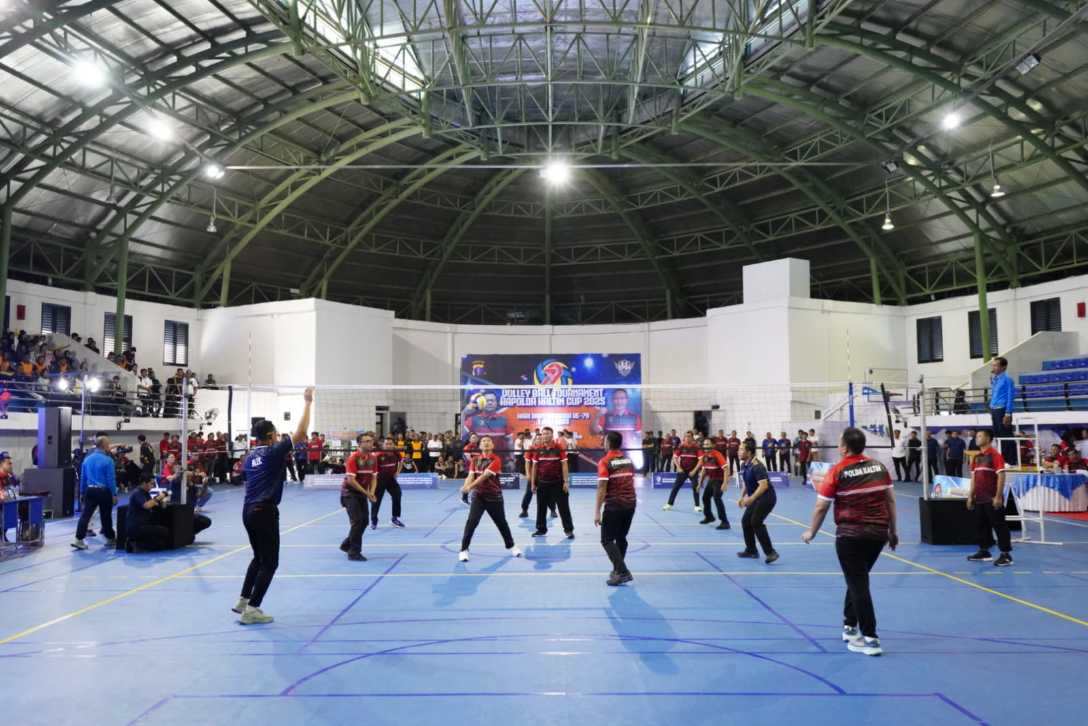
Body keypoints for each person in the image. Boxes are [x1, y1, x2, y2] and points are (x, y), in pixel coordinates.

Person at [803, 427, 898, 657]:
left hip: (850, 536)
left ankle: (871, 638)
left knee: (858, 583)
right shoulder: (879, 467)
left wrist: (811, 532)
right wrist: (893, 531)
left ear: (845, 447)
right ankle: (849, 625)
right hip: (878, 534)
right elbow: (890, 501)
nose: (838, 445)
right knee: (857, 578)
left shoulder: (837, 471)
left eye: (839, 442)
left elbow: (821, 507)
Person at [232, 387, 313, 625]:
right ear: (270, 436)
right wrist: (307, 402)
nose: (278, 437)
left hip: (247, 511)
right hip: (264, 511)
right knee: (270, 563)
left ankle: (243, 600)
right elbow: (301, 433)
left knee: (258, 557)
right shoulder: (273, 451)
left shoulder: (249, 457)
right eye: (276, 434)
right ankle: (252, 610)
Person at [458, 435, 521, 562]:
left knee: (501, 523)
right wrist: (465, 486)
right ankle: (464, 550)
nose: (486, 443)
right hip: (478, 496)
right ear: (480, 445)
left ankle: (512, 546)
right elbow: (471, 476)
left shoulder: (496, 459)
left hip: (494, 497)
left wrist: (469, 487)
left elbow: (484, 476)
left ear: (492, 445)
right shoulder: (475, 460)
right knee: (472, 522)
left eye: (488, 441)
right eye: (483, 441)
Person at [594, 431, 637, 586]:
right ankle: (618, 571)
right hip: (630, 504)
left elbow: (602, 487)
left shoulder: (605, 461)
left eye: (604, 440)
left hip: (614, 505)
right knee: (621, 538)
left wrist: (597, 511)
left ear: (608, 443)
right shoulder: (628, 461)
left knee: (606, 539)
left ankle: (623, 572)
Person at [966, 429, 1013, 567]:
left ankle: (1006, 555)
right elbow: (974, 478)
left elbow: (1001, 475)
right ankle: (984, 551)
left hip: (992, 498)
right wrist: (970, 496)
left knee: (999, 526)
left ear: (988, 439)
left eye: (980, 436)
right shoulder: (976, 457)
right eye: (977, 436)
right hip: (979, 498)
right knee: (981, 525)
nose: (977, 438)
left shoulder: (995, 455)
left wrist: (998, 496)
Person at [72, 435, 118, 550]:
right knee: (106, 516)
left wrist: (82, 492)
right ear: (104, 446)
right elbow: (111, 480)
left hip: (90, 490)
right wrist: (114, 494)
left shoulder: (87, 459)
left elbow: (83, 478)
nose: (109, 446)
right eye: (108, 444)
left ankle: (78, 539)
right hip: (103, 491)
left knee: (85, 515)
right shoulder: (108, 460)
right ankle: (110, 538)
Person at [736, 440, 778, 563]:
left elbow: (763, 486)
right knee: (745, 521)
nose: (738, 452)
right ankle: (751, 550)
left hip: (767, 497)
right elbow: (747, 483)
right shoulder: (744, 465)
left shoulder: (757, 466)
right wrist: (741, 497)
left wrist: (751, 498)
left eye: (741, 449)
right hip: (755, 497)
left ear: (749, 452)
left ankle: (771, 553)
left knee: (756, 522)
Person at [529, 426, 573, 539]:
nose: (545, 435)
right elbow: (534, 467)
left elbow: (564, 465)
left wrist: (566, 481)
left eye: (547, 433)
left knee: (563, 507)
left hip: (558, 483)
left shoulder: (559, 448)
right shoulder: (538, 449)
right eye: (543, 433)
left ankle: (568, 530)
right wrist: (533, 483)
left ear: (552, 435)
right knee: (541, 507)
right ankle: (541, 529)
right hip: (542, 483)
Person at [340, 433, 378, 561]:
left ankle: (347, 544)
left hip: (362, 493)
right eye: (367, 441)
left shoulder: (373, 458)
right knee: (357, 521)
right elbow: (351, 481)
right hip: (349, 493)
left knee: (365, 521)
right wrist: (367, 494)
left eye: (371, 440)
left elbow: (374, 477)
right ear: (360, 444)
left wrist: (372, 492)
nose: (370, 443)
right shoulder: (353, 458)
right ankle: (354, 552)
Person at [125, 476, 171, 552]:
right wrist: (159, 497)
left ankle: (138, 543)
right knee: (163, 532)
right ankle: (134, 544)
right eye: (151, 484)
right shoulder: (137, 493)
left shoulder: (146, 493)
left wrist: (161, 500)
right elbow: (147, 505)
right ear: (144, 483)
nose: (152, 486)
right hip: (136, 527)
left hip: (143, 525)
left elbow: (153, 504)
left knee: (161, 534)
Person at [695, 439, 730, 529]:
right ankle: (709, 517)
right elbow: (704, 470)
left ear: (712, 445)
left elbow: (726, 468)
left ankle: (725, 522)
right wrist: (700, 483)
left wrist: (725, 483)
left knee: (717, 498)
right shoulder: (704, 456)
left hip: (719, 480)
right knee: (705, 498)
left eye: (708, 444)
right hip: (711, 480)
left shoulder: (717, 454)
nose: (706, 446)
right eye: (705, 444)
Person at [371, 436, 406, 528]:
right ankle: (374, 519)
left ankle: (394, 519)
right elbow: (372, 469)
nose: (388, 446)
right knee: (376, 500)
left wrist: (398, 472)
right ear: (383, 445)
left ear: (393, 445)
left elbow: (401, 461)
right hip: (379, 480)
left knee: (397, 494)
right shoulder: (378, 455)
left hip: (391, 479)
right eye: (387, 444)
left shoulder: (396, 453)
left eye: (390, 444)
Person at [662, 432, 701, 512]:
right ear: (684, 438)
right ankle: (669, 504)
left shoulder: (696, 447)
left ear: (692, 438)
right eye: (686, 436)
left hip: (693, 471)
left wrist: (694, 471)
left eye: (689, 436)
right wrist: (679, 468)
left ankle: (697, 506)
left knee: (695, 487)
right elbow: (675, 457)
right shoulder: (681, 446)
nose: (687, 438)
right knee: (675, 487)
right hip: (683, 471)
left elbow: (701, 460)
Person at [989, 356, 1016, 461]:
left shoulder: (1008, 380)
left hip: (1002, 410)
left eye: (996, 365)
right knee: (997, 435)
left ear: (1003, 367)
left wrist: (1008, 413)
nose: (993, 368)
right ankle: (1002, 459)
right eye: (993, 365)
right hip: (994, 409)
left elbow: (1010, 397)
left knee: (1006, 435)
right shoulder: (995, 379)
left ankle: (1011, 460)